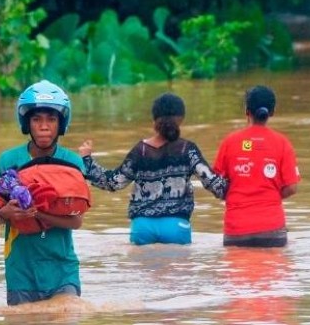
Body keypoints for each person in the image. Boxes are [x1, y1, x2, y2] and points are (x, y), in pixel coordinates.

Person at [78, 93, 228, 245]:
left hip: (142, 227)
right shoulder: (186, 149)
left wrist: (87, 160)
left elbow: (113, 182)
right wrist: (240, 185)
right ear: (181, 119)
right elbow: (213, 183)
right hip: (175, 227)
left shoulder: (140, 151)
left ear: (154, 119)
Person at [0, 80, 86, 306]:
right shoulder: (8, 161)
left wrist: (38, 215)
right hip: (20, 270)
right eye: (36, 119)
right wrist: (7, 213)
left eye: (51, 119)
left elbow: (77, 221)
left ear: (61, 124)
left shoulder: (73, 162)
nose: (44, 126)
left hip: (63, 269)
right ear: (27, 123)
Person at [212, 85, 300, 247]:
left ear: (247, 110)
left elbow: (215, 183)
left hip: (236, 229)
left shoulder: (229, 142)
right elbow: (292, 187)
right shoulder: (283, 143)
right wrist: (269, 196)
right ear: (272, 112)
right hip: (272, 229)